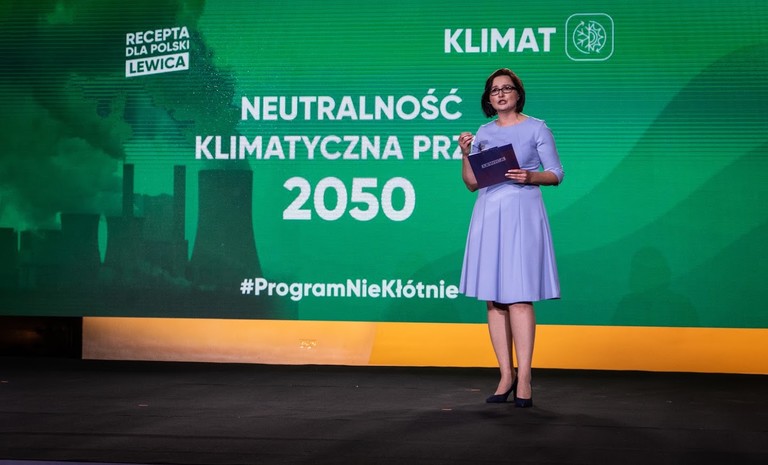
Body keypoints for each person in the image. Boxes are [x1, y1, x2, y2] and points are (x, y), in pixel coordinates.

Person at [458, 68, 563, 408]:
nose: (501, 94)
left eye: (506, 88)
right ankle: (506, 375)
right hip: (489, 214)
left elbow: (556, 173)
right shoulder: (483, 132)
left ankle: (526, 377)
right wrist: (465, 153)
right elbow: (472, 183)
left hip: (522, 212)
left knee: (519, 297)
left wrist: (531, 176)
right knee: (494, 298)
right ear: (488, 99)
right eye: (494, 90)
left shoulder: (537, 128)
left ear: (518, 93)